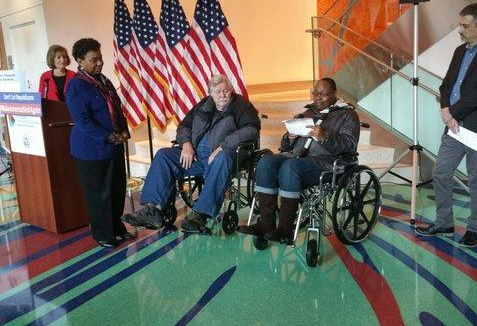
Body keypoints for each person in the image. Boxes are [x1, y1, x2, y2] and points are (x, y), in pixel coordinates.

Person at [415, 3, 477, 247]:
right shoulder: (460, 50)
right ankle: (444, 223)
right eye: (460, 24)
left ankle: (475, 229)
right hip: (454, 124)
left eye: (465, 25)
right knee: (440, 172)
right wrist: (446, 110)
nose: (460, 29)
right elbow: (447, 84)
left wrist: (452, 112)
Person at [122, 75, 260, 234]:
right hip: (196, 157)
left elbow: (251, 129)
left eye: (226, 91)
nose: (222, 95)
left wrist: (222, 147)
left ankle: (200, 215)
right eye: (217, 92)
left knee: (221, 158)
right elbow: (184, 127)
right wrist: (186, 144)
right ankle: (154, 210)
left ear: (231, 91)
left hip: (224, 157)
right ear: (210, 93)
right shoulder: (204, 105)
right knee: (163, 155)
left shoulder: (241, 105)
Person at [237, 78, 360, 243]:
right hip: (297, 156)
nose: (317, 98)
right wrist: (289, 137)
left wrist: (324, 137)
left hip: (328, 162)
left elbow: (349, 145)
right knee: (266, 162)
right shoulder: (308, 113)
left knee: (290, 167)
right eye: (316, 93)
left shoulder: (348, 115)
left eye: (323, 94)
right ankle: (266, 224)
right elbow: (285, 147)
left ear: (335, 94)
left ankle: (285, 229)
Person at [66, 38, 132, 248]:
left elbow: (116, 108)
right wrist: (110, 136)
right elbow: (83, 121)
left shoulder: (103, 80)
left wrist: (123, 131)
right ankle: (103, 234)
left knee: (116, 190)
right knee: (99, 194)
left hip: (113, 147)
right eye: (94, 60)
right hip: (92, 150)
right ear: (80, 61)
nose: (99, 63)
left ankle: (117, 228)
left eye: (100, 59)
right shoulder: (76, 86)